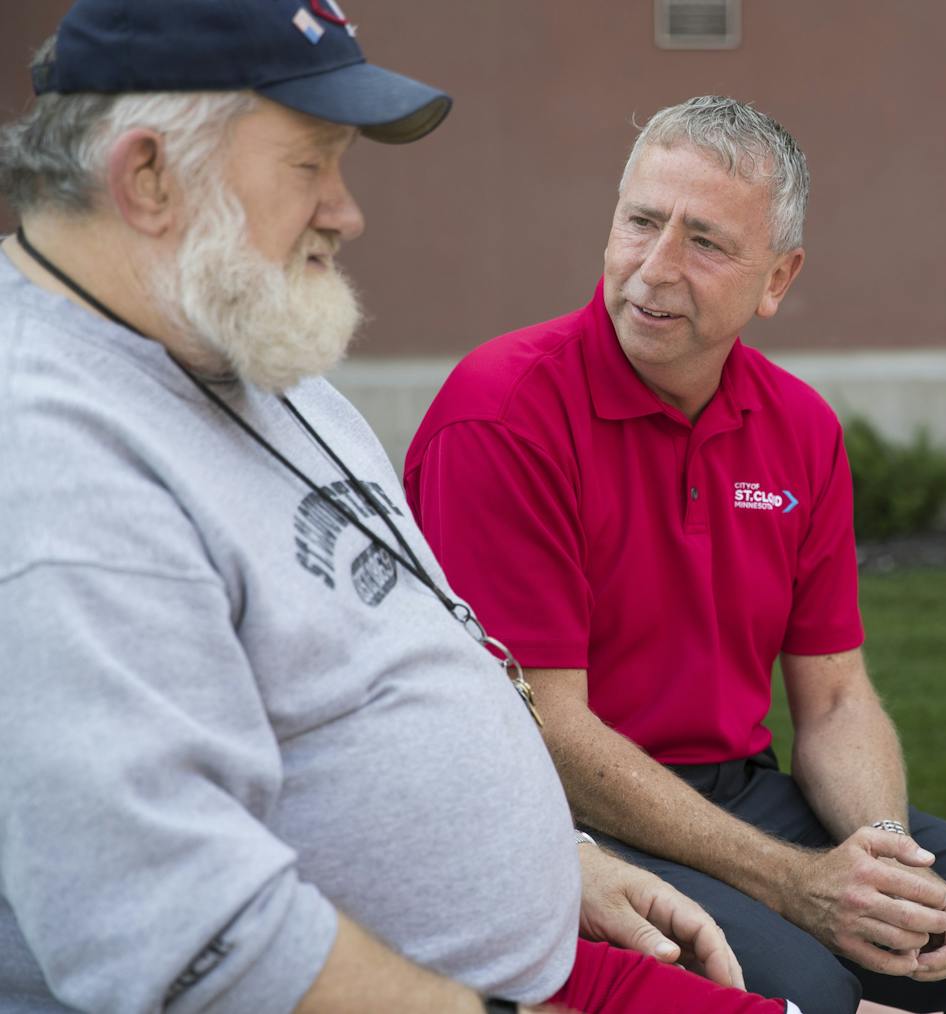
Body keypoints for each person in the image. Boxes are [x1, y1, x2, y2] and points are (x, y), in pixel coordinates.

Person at [0, 6, 799, 1013]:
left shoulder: (239, 349)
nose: (346, 210)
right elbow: (183, 932)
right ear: (149, 176)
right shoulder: (49, 463)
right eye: (310, 163)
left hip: (540, 947)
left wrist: (561, 858)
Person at [406, 94, 946, 1013]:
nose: (653, 271)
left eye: (704, 242)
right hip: (564, 820)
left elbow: (837, 697)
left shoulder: (799, 429)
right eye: (641, 223)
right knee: (802, 987)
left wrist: (882, 854)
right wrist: (792, 883)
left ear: (777, 278)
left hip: (736, 792)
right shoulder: (503, 412)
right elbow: (548, 730)